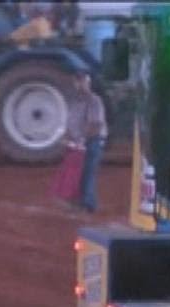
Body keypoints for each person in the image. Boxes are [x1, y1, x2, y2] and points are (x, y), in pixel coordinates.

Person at [65, 70, 107, 213]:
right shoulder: (75, 100)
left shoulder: (94, 100)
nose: (79, 84)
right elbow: (71, 122)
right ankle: (80, 202)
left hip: (92, 142)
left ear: (87, 82)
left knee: (88, 173)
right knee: (76, 174)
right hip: (78, 143)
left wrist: (82, 140)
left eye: (82, 81)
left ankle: (88, 205)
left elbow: (96, 124)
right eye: (77, 81)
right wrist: (69, 138)